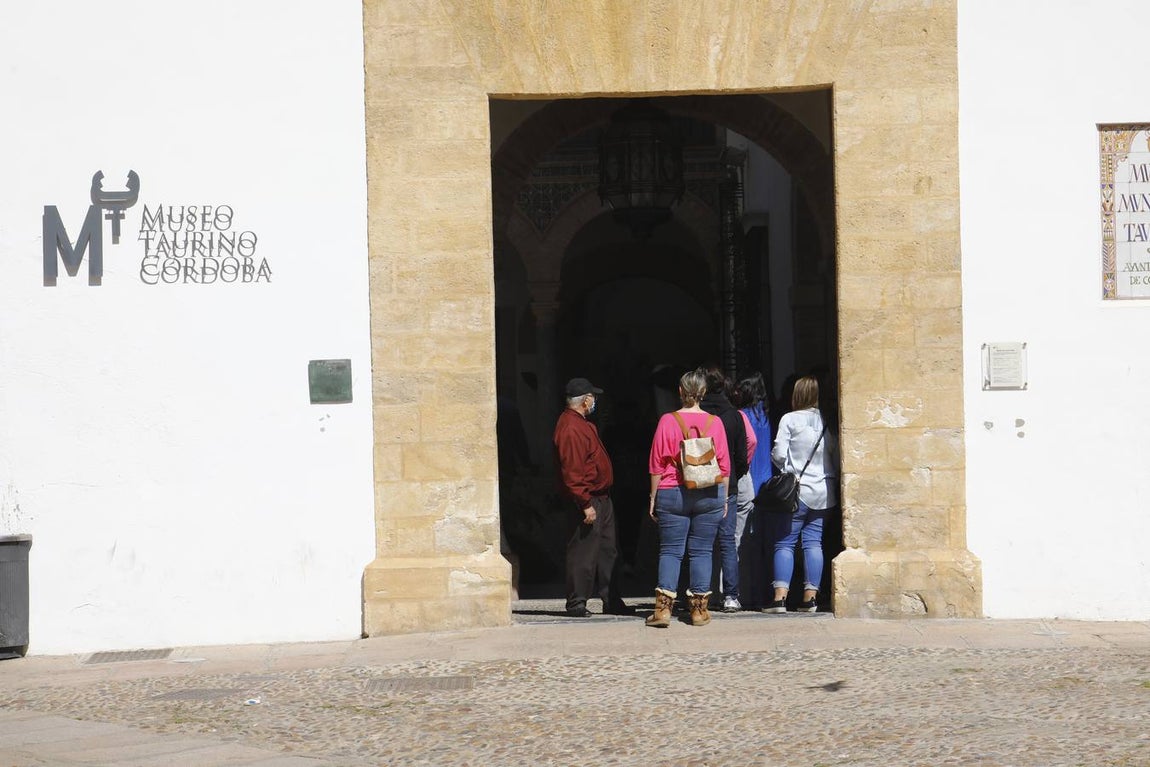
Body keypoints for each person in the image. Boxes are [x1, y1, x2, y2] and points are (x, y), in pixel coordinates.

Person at [645, 368, 730, 627]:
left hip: (672, 491)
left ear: (680, 391)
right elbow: (724, 467)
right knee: (702, 551)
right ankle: (699, 611)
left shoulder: (667, 421)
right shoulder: (716, 423)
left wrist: (653, 497)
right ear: (703, 393)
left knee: (671, 551)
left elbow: (656, 464)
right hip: (709, 493)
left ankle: (663, 611)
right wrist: (724, 498)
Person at [553, 377, 634, 617]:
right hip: (588, 498)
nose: (595, 401)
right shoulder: (571, 427)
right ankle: (577, 602)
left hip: (601, 497)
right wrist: (585, 503)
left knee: (608, 550)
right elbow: (572, 471)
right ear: (585, 400)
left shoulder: (582, 424)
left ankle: (611, 599)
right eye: (593, 397)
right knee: (583, 552)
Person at [765, 375, 838, 614]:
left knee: (785, 542)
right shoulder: (828, 421)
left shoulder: (789, 419)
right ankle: (810, 599)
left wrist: (786, 468)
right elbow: (836, 456)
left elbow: (778, 453)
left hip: (797, 490)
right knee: (813, 542)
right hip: (824, 491)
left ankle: (780, 599)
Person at [700, 367, 748, 613]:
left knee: (701, 542)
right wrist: (737, 474)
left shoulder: (697, 414)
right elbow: (741, 453)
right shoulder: (733, 415)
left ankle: (701, 593)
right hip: (727, 483)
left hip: (699, 483)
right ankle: (731, 595)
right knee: (727, 541)